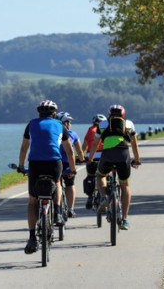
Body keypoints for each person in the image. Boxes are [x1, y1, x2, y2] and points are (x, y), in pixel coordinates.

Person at [18, 100, 77, 254]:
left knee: (32, 201)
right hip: (54, 163)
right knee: (57, 182)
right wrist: (72, 168)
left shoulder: (31, 124)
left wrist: (20, 166)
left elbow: (24, 147)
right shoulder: (60, 126)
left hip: (35, 164)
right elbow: (69, 151)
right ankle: (57, 212)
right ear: (55, 114)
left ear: (39, 113)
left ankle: (32, 236)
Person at [88, 104, 140, 230]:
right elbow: (134, 144)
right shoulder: (129, 124)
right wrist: (137, 160)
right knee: (125, 185)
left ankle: (104, 196)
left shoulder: (102, 125)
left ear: (109, 114)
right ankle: (125, 219)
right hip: (123, 155)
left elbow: (95, 143)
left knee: (100, 175)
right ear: (123, 114)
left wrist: (90, 158)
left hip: (108, 155)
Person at [57, 112, 85, 218]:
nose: (70, 124)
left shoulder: (53, 133)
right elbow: (79, 151)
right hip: (68, 163)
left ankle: (56, 207)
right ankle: (70, 209)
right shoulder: (72, 134)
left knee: (56, 184)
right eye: (69, 122)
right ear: (66, 123)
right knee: (69, 184)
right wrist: (82, 160)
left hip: (54, 162)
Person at [81, 114, 106, 209]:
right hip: (104, 156)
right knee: (105, 174)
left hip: (91, 156)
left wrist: (81, 156)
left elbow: (84, 145)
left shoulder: (90, 130)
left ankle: (90, 197)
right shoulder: (105, 130)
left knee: (90, 175)